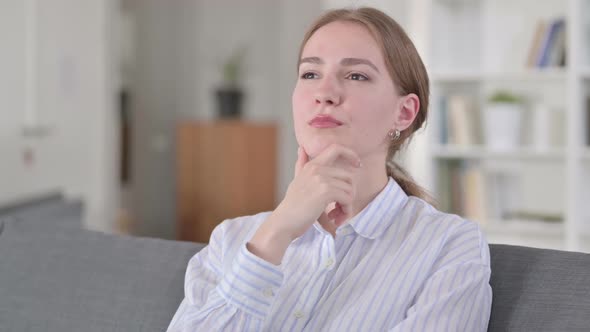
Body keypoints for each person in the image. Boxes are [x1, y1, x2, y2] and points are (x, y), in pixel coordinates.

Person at [167, 6, 492, 331]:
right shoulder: (232, 239)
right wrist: (276, 233)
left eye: (356, 76)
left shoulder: (448, 245)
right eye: (310, 74)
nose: (324, 93)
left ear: (404, 112)